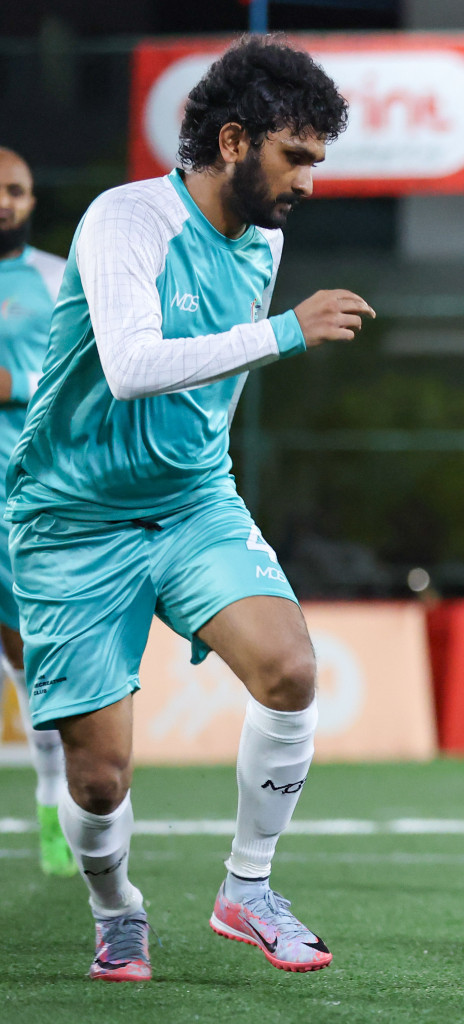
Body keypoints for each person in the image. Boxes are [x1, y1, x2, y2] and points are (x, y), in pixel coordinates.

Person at [7, 36, 371, 982]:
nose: (308, 181)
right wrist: (289, 331)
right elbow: (130, 366)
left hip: (191, 503)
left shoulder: (266, 241)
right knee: (98, 779)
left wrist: (206, 464)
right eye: (298, 157)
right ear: (235, 139)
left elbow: (225, 374)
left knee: (291, 671)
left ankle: (246, 888)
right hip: (72, 520)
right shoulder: (127, 220)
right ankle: (114, 905)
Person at [0, 146, 73, 877]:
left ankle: (53, 800)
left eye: (15, 189)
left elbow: (90, 370)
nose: (3, 200)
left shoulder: (58, 278)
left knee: (31, 664)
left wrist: (14, 380)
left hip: (24, 504)